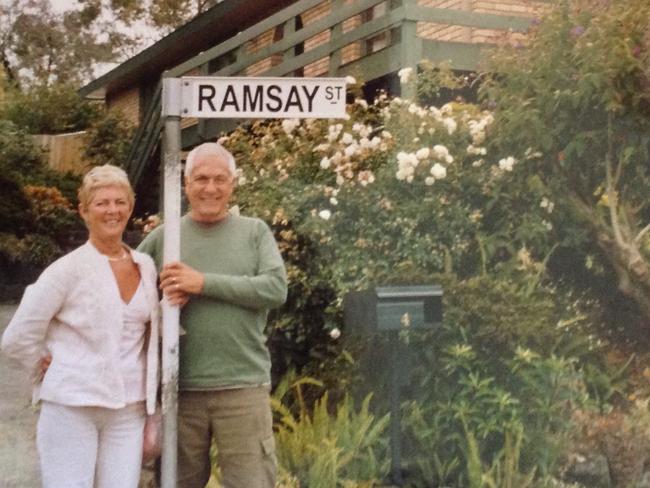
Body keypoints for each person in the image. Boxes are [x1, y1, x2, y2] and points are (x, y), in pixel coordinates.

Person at [137, 142, 287, 488]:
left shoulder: (254, 232)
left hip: (243, 387)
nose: (210, 188)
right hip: (180, 391)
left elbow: (275, 289)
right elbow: (122, 296)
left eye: (220, 179)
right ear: (186, 185)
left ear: (233, 184)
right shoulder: (165, 238)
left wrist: (201, 282)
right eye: (201, 178)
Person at [1, 165, 160, 488]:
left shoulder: (145, 265)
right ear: (84, 211)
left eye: (120, 202)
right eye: (101, 203)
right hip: (72, 408)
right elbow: (17, 337)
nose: (112, 210)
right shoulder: (66, 270)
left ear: (130, 207)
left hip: (127, 410)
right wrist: (41, 361)